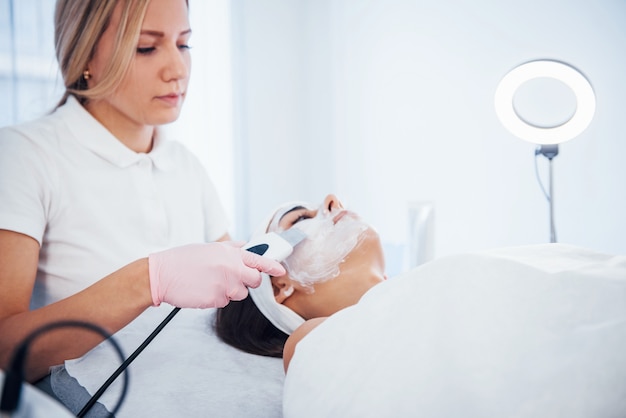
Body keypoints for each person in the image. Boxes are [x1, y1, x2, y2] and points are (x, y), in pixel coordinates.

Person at [0, 0, 285, 406]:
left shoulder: (186, 166)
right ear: (86, 57)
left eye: (184, 44)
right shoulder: (24, 156)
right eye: (147, 48)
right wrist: (148, 281)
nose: (178, 69)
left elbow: (236, 302)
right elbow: (5, 349)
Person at [215, 194, 626, 417]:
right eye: (299, 219)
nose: (331, 200)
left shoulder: (419, 292)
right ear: (280, 284)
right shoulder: (305, 341)